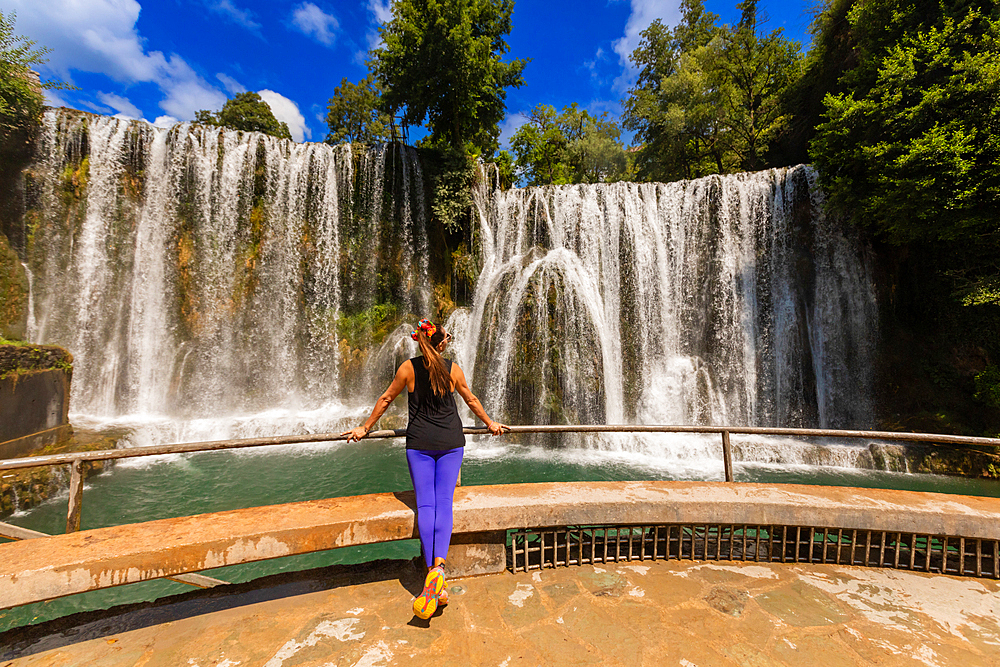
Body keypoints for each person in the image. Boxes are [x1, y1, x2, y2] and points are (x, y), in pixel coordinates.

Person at [342, 318, 507, 620]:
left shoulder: (408, 368)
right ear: (441, 343)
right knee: (444, 503)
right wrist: (490, 423)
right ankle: (439, 570)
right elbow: (470, 399)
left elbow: (386, 399)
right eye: (447, 339)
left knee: (426, 505)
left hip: (419, 444)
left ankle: (432, 572)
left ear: (420, 342)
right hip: (450, 442)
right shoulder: (453, 368)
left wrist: (365, 428)